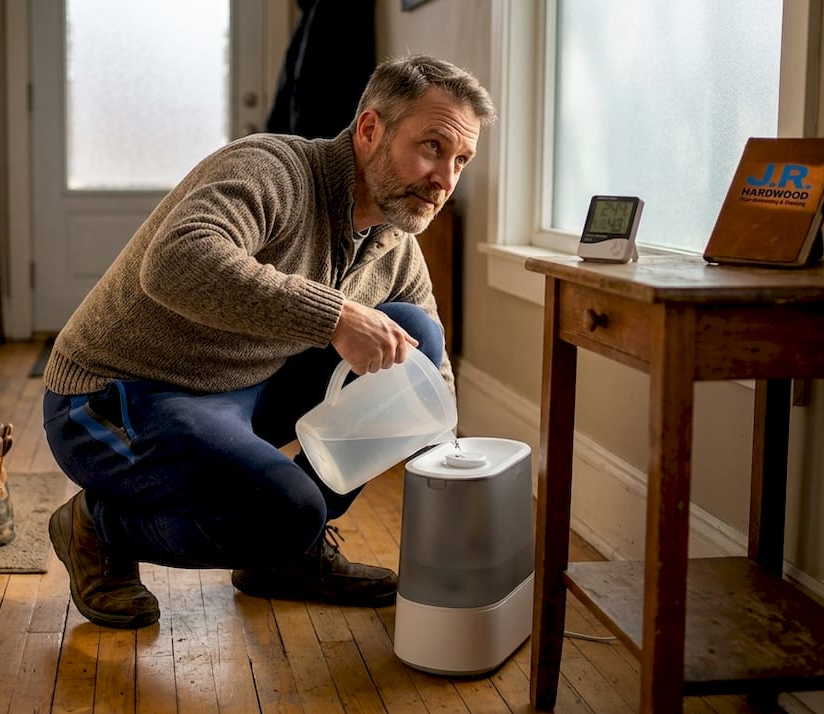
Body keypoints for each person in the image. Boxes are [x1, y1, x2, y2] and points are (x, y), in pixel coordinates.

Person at [41, 54, 497, 629]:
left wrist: (455, 478)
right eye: (432, 146)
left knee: (417, 337)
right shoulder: (273, 168)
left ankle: (285, 558)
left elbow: (429, 382)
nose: (445, 179)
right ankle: (97, 526)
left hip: (238, 391)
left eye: (461, 160)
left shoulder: (393, 240)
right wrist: (335, 318)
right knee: (287, 510)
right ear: (370, 129)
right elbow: (176, 261)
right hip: (116, 398)